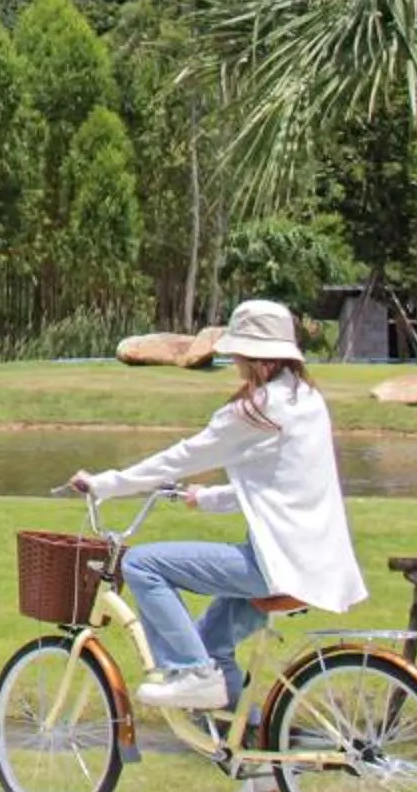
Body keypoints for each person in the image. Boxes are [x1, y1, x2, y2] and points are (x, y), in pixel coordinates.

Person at [64, 298, 367, 714]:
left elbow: (183, 456)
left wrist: (105, 485)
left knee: (142, 565)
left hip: (274, 566)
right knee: (213, 644)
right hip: (314, 562)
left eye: (239, 354)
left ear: (255, 357)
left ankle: (193, 673)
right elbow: (280, 485)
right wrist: (205, 498)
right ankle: (251, 762)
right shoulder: (306, 399)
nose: (236, 363)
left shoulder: (258, 410)